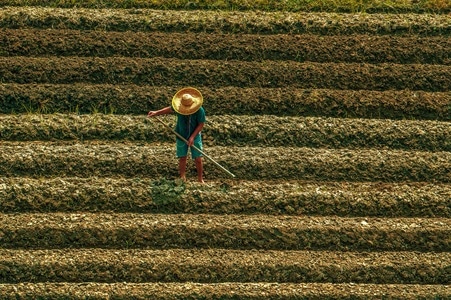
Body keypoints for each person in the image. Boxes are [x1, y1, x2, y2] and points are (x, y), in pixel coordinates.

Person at [147, 87, 206, 183]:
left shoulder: (200, 110)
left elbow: (201, 124)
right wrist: (156, 113)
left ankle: (200, 179)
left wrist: (192, 137)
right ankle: (182, 177)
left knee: (198, 158)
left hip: (195, 135)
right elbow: (169, 109)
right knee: (182, 157)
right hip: (181, 134)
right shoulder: (179, 108)